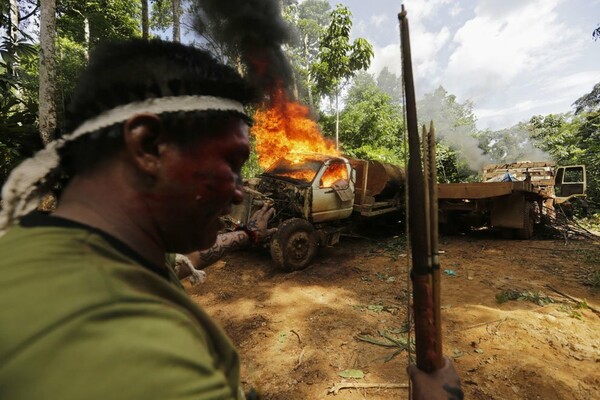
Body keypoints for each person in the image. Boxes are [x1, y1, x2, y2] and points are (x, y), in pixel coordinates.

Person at [0, 39, 461, 399]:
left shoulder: (45, 254)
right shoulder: (146, 365)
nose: (241, 189)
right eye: (231, 163)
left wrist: (232, 240)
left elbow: (178, 265)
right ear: (148, 146)